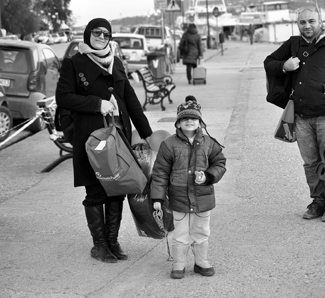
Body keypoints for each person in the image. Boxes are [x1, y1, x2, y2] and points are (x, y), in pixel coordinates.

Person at [55, 18, 154, 263]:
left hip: (119, 139)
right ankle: (99, 246)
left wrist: (147, 134)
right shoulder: (73, 63)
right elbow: (63, 98)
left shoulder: (116, 62)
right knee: (96, 192)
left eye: (106, 34)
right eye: (97, 33)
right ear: (88, 34)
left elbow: (130, 99)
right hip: (92, 140)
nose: (101, 37)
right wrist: (97, 105)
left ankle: (112, 241)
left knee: (116, 190)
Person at [264, 6, 325, 222]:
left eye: (311, 21)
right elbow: (268, 62)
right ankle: (318, 201)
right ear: (298, 24)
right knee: (310, 163)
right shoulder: (294, 44)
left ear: (320, 22)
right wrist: (285, 66)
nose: (307, 26)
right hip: (301, 117)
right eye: (302, 22)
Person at [150, 95, 226, 279]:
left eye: (193, 118)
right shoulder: (168, 145)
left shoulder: (210, 143)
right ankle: (179, 263)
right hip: (179, 198)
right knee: (180, 233)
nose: (189, 121)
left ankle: (201, 262)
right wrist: (158, 198)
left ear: (200, 121)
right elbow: (160, 172)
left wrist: (208, 176)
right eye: (184, 118)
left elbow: (220, 163)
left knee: (201, 231)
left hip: (203, 197)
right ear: (177, 124)